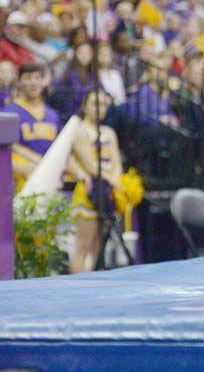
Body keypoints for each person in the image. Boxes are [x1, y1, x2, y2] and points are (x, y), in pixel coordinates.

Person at [69, 88, 123, 273]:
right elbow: (91, 166)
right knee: (83, 247)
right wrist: (113, 179)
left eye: (103, 104)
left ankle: (92, 283)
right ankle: (77, 288)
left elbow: (117, 162)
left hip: (108, 192)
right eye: (95, 103)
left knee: (98, 248)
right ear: (84, 106)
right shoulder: (80, 131)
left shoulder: (109, 132)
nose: (100, 108)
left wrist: (118, 181)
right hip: (88, 192)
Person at [8, 62, 62, 190]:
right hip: (20, 181)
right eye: (28, 78)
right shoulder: (8, 113)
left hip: (49, 178)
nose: (33, 83)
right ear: (19, 82)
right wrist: (17, 167)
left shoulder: (52, 115)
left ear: (43, 82)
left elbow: (59, 148)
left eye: (37, 78)